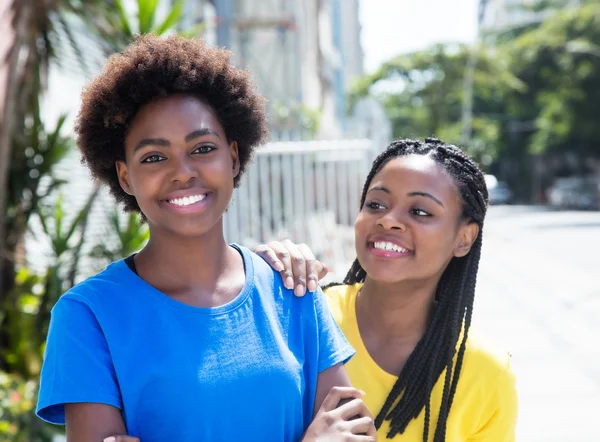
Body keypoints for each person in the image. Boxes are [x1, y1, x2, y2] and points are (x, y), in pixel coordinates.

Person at [35, 35, 377, 442]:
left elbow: (352, 432)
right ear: (125, 175)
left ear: (233, 157)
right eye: (154, 157)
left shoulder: (293, 290)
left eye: (202, 148)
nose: (183, 172)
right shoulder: (88, 315)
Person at [255, 138, 518, 441]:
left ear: (464, 239)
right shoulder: (300, 316)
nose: (389, 220)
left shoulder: (486, 372)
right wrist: (253, 278)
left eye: (420, 211)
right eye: (376, 204)